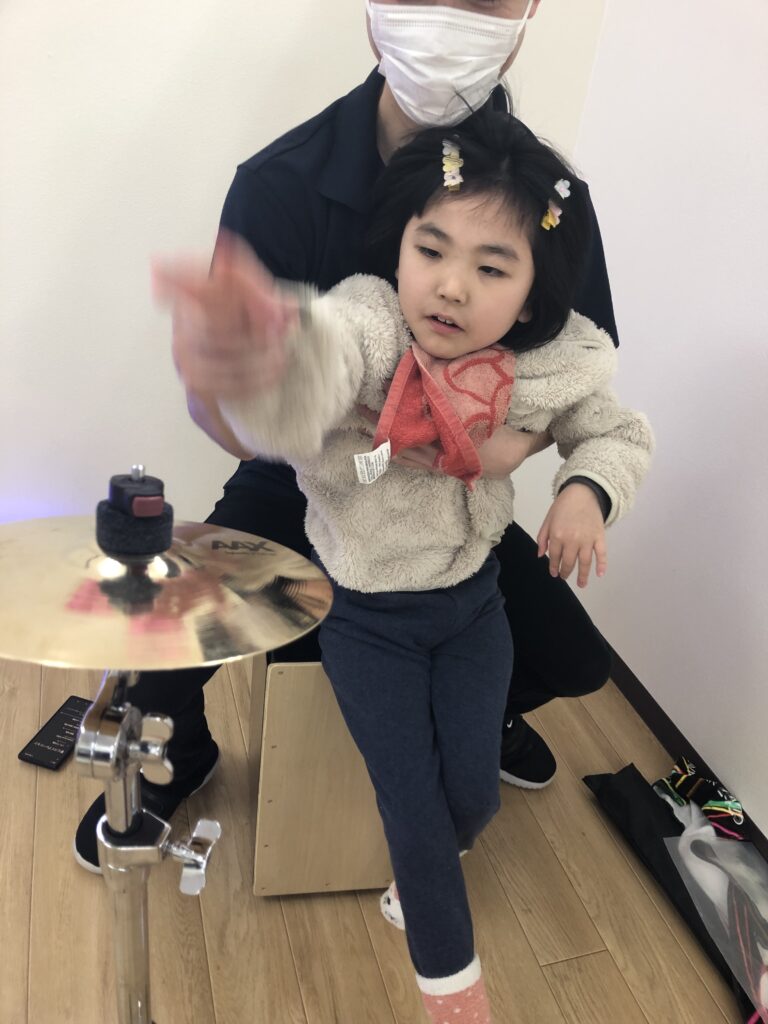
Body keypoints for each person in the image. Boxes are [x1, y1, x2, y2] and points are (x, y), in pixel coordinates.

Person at [74, 0, 617, 871]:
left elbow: (578, 372)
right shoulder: (280, 182)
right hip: (304, 474)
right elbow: (235, 429)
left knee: (576, 660)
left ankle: (475, 716)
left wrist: (500, 451)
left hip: (447, 496)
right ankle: (187, 748)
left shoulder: (550, 200)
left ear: (529, 10)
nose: (448, 11)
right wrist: (222, 380)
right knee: (167, 656)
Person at [154, 111, 653, 1022]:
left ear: (532, 298)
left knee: (471, 799)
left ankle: (427, 863)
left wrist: (585, 490)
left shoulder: (550, 358)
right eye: (431, 250)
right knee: (414, 811)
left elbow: (613, 428)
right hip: (370, 618)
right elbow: (319, 362)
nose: (451, 286)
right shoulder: (371, 317)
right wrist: (264, 349)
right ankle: (451, 988)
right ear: (401, 246)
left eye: (492, 269)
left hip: (473, 607)